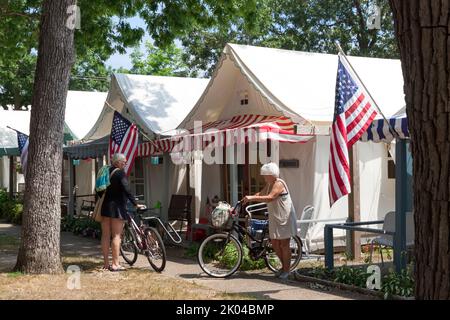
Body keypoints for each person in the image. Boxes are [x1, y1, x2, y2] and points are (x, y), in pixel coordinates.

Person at [242, 162, 298, 280]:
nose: (264, 177)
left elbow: (270, 197)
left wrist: (252, 198)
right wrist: (249, 198)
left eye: (265, 175)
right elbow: (261, 194)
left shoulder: (278, 183)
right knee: (275, 243)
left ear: (271, 174)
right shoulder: (269, 184)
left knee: (284, 244)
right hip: (275, 218)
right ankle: (283, 267)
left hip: (284, 218)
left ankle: (286, 270)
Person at [99, 153, 144, 271]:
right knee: (116, 236)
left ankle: (106, 264)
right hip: (117, 208)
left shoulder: (104, 171)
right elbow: (127, 189)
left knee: (105, 235)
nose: (125, 163)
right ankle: (115, 264)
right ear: (118, 162)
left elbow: (98, 190)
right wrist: (135, 203)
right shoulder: (119, 173)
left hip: (105, 207)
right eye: (124, 161)